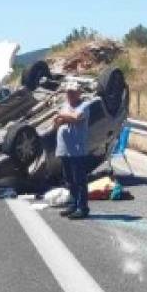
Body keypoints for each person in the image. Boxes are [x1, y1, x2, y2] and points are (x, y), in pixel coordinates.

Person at [53, 81, 92, 219]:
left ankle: (83, 207)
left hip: (76, 149)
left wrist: (62, 116)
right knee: (69, 179)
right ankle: (74, 204)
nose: (69, 94)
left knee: (79, 180)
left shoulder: (84, 105)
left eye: (72, 92)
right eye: (68, 92)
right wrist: (63, 117)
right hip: (64, 148)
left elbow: (75, 118)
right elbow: (57, 123)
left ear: (79, 93)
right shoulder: (65, 106)